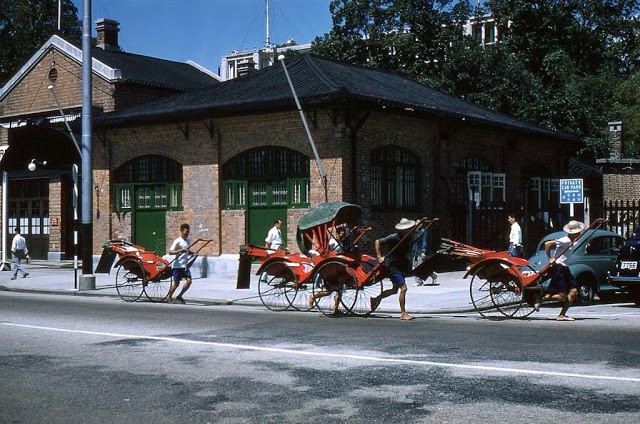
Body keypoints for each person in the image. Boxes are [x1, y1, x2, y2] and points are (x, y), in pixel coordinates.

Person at [535, 220, 585, 321]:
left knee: (574, 292)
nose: (579, 233)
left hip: (565, 268)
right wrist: (549, 258)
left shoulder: (573, 241)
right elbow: (547, 244)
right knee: (562, 296)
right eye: (578, 231)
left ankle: (562, 314)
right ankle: (540, 299)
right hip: (558, 268)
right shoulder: (565, 240)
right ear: (573, 232)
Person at [370, 218, 418, 320]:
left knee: (394, 290)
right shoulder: (394, 237)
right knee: (403, 288)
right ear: (401, 230)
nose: (408, 230)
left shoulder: (409, 237)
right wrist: (379, 257)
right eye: (407, 229)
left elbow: (417, 230)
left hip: (401, 265)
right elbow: (377, 242)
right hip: (393, 266)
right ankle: (403, 313)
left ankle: (375, 299)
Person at [308, 226, 347, 314]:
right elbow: (325, 253)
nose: (342, 236)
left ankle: (335, 309)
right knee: (328, 291)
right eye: (341, 234)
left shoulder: (341, 244)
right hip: (329, 269)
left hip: (337, 269)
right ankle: (313, 296)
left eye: (343, 234)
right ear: (336, 234)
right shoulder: (332, 242)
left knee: (339, 290)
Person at [167, 223, 192, 304]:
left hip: (185, 265)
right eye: (185, 231)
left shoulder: (188, 241)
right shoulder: (177, 241)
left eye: (188, 232)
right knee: (176, 284)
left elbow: (187, 251)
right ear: (181, 231)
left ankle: (180, 296)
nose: (187, 233)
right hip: (177, 266)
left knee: (189, 281)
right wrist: (180, 250)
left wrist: (191, 253)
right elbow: (170, 252)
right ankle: (169, 296)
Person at [413, 218, 438, 286]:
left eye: (420, 223)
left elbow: (424, 242)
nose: (418, 224)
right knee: (415, 267)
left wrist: (423, 251)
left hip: (420, 252)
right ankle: (433, 275)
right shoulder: (414, 231)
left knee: (420, 267)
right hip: (414, 252)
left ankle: (420, 281)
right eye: (417, 223)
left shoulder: (423, 232)